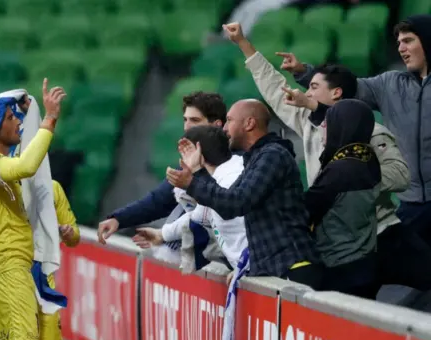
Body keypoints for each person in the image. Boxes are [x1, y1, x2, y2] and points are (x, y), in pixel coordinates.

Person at [282, 15, 431, 242]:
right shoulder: (389, 83)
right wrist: (304, 72)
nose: (401, 48)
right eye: (399, 42)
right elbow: (343, 87)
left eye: (408, 41)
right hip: (409, 202)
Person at [169, 100, 323, 288]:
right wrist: (197, 173)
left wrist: (193, 181)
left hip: (293, 267)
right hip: (276, 269)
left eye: (229, 120)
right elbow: (226, 206)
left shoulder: (273, 155)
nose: (224, 129)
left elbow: (236, 203)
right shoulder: (256, 158)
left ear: (249, 124)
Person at [0, 80, 66, 340]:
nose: (16, 121)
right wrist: (50, 118)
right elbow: (28, 166)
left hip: (17, 271)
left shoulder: (2, 165)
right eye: (9, 117)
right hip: (7, 274)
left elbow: (28, 158)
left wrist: (31, 117)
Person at [97, 92, 227, 243]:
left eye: (195, 120)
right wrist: (118, 219)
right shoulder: (188, 162)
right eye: (185, 120)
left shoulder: (234, 163)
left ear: (216, 125)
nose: (187, 126)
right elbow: (158, 201)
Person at [132, 125, 247, 270]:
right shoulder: (228, 170)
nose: (182, 163)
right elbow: (197, 215)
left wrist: (245, 269)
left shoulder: (229, 180)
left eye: (186, 155)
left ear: (199, 155)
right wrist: (162, 234)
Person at [305, 100, 381, 298]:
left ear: (343, 126)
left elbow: (306, 210)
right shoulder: (368, 160)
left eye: (328, 122)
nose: (322, 126)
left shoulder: (340, 170)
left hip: (339, 268)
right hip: (365, 262)